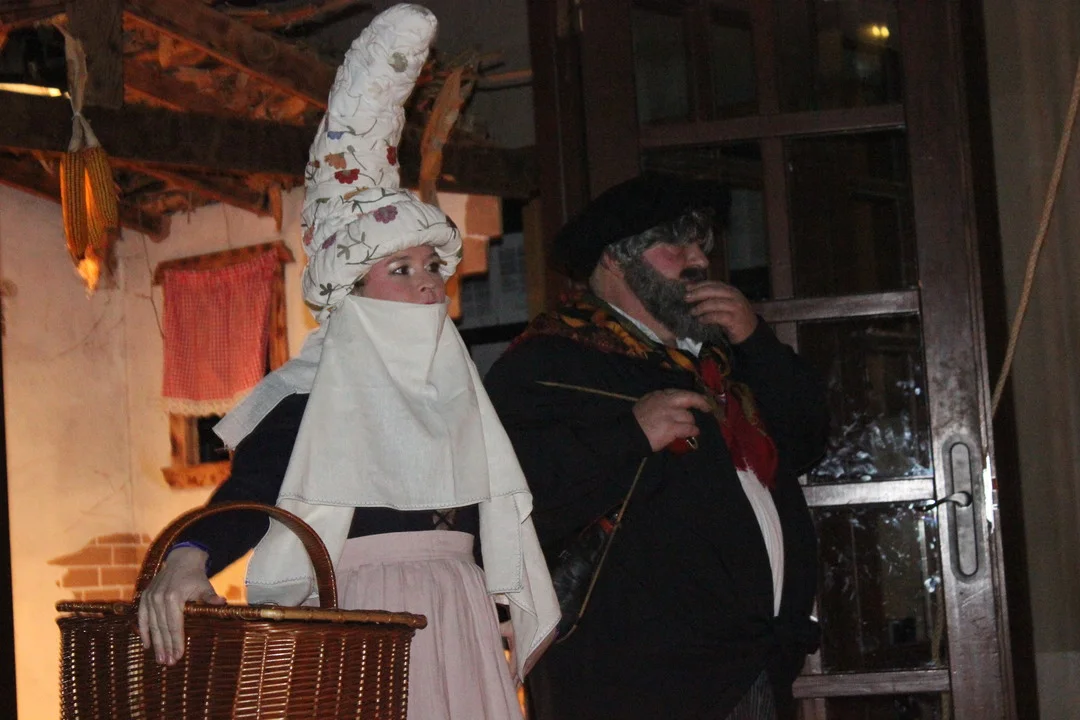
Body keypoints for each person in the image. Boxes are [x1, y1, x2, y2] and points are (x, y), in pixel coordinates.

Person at [136, 6, 559, 719]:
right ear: (350, 292)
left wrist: (495, 598)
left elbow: (481, 503)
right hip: (367, 619)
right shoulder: (314, 398)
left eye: (432, 265)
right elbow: (253, 492)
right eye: (402, 268)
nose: (429, 284)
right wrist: (189, 554)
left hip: (458, 613)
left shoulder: (452, 393)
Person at [484, 174, 828, 720]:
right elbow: (514, 500)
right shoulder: (550, 363)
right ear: (615, 260)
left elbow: (808, 441)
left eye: (701, 245)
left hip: (749, 666)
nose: (698, 260)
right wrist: (631, 434)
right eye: (675, 244)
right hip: (637, 680)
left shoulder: (721, 360)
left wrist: (755, 339)